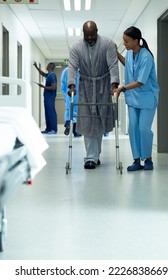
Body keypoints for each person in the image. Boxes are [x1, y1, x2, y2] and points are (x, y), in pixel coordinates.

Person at [67, 20, 119, 169]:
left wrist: (114, 83)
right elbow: (72, 66)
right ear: (83, 33)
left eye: (92, 34)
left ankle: (95, 155)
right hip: (85, 87)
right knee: (87, 121)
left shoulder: (107, 44)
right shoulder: (76, 47)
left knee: (100, 121)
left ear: (97, 31)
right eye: (86, 35)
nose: (89, 38)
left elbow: (113, 65)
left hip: (103, 85)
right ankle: (90, 157)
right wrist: (72, 84)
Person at [114, 26, 159, 171]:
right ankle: (136, 160)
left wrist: (123, 88)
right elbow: (128, 65)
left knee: (143, 129)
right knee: (133, 128)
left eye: (126, 41)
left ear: (136, 40)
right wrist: (115, 53)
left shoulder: (146, 56)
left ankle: (148, 159)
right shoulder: (129, 54)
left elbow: (141, 81)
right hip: (133, 99)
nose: (125, 44)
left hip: (147, 99)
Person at [33, 62, 58, 134]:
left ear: (49, 67)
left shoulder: (52, 75)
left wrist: (43, 86)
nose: (46, 66)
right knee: (47, 113)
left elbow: (53, 87)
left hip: (50, 97)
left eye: (47, 65)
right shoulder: (49, 75)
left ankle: (53, 129)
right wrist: (36, 67)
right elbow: (43, 74)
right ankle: (48, 129)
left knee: (51, 113)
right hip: (47, 97)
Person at [61, 66, 81, 137]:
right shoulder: (79, 71)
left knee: (68, 109)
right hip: (78, 93)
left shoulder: (65, 70)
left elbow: (62, 83)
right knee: (76, 110)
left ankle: (67, 123)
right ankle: (76, 131)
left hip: (68, 92)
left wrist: (65, 92)